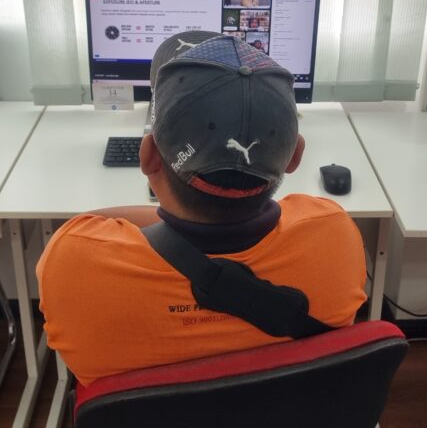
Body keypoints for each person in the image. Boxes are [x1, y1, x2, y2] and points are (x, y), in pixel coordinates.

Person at [37, 31, 367, 386]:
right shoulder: (334, 234)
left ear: (148, 157)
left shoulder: (73, 261)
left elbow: (92, 222)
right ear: (295, 156)